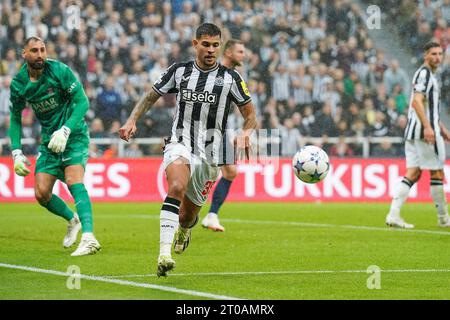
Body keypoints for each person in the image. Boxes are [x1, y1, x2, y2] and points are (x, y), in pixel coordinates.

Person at [119, 23, 257, 277]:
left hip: (211, 153)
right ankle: (163, 254)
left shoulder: (232, 79)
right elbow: (151, 96)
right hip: (179, 141)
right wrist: (132, 120)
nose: (211, 50)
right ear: (195, 44)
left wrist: (246, 133)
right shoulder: (180, 71)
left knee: (187, 217)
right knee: (176, 187)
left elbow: (250, 113)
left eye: (215, 45)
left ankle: (183, 230)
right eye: (206, 44)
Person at [9, 37, 101, 256]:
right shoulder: (19, 84)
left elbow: (82, 102)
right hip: (50, 140)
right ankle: (73, 219)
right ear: (24, 54)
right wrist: (16, 152)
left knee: (73, 180)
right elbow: (15, 117)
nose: (40, 54)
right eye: (34, 50)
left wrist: (66, 129)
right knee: (41, 193)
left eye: (42, 50)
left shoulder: (59, 71)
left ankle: (89, 237)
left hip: (74, 134)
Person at [386, 42, 450, 229]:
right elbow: (416, 102)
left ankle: (393, 214)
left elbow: (426, 106)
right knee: (437, 171)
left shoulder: (428, 75)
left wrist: (440, 126)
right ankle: (443, 219)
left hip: (413, 132)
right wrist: (429, 127)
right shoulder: (425, 74)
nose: (438, 57)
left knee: (413, 173)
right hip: (423, 132)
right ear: (425, 56)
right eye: (433, 54)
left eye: (440, 54)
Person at [201, 39, 246, 232]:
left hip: (220, 130)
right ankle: (182, 214)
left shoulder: (235, 77)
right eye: (240, 51)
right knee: (197, 175)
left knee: (230, 171)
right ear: (228, 52)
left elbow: (248, 108)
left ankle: (212, 215)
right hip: (200, 129)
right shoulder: (211, 72)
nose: (243, 55)